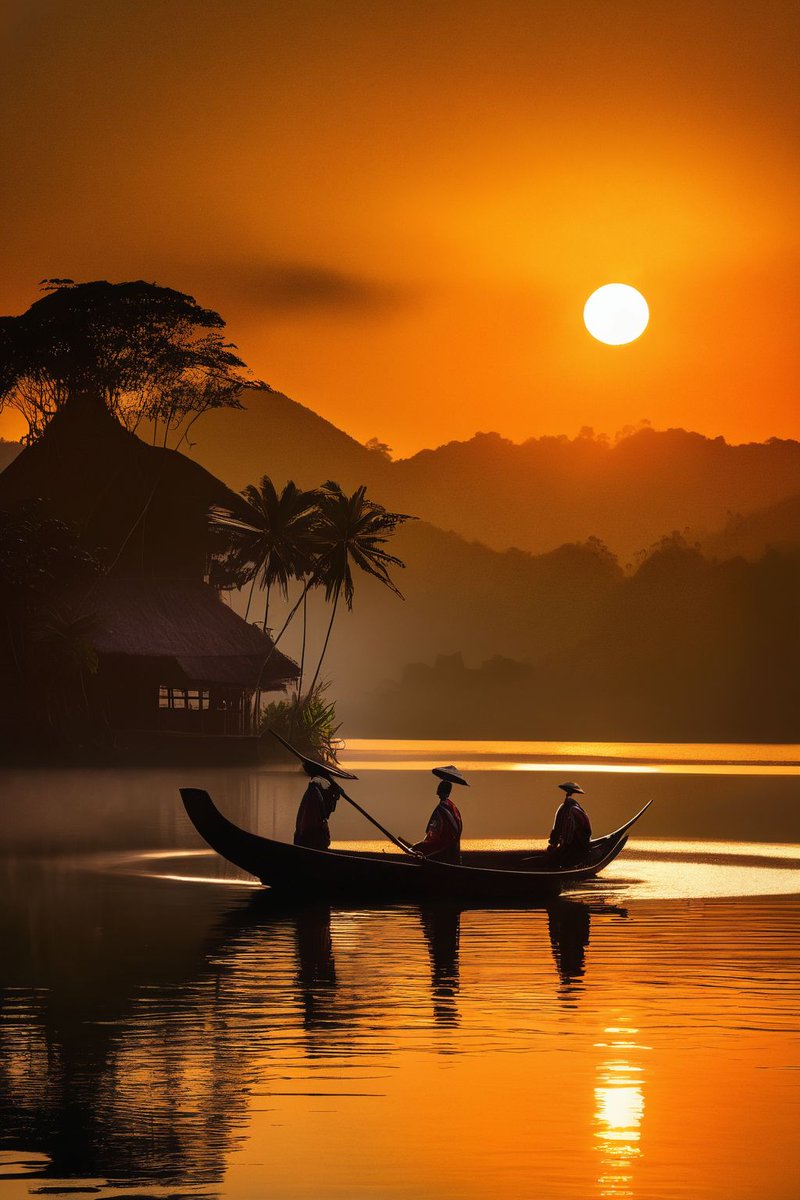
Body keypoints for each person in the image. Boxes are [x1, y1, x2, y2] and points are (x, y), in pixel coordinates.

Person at [293, 754, 356, 850]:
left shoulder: (318, 787)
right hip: (310, 841)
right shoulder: (316, 788)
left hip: (311, 840)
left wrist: (335, 790)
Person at [412, 766, 468, 864]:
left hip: (444, 845)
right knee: (417, 847)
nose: (438, 792)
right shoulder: (451, 806)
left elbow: (437, 832)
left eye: (440, 789)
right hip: (449, 844)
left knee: (417, 848)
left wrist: (424, 843)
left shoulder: (444, 808)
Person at [547, 781, 592, 867]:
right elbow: (586, 831)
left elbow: (556, 830)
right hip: (572, 848)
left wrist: (553, 844)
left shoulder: (564, 808)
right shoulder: (574, 810)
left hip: (567, 847)